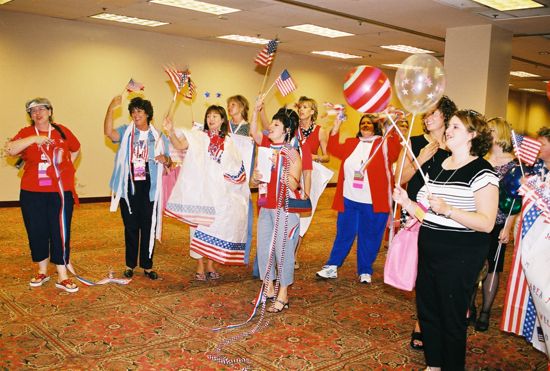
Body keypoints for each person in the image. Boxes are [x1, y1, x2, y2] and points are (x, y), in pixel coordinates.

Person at [393, 109, 498, 370]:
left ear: (473, 136)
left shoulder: (483, 172)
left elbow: (486, 222)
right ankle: (434, 363)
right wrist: (408, 202)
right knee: (428, 310)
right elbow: (428, 213)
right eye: (448, 126)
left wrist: (449, 210)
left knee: (451, 316)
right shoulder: (441, 165)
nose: (448, 131)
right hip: (430, 249)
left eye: (456, 127)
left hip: (461, 254)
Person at [394, 96, 457, 350]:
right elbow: (400, 177)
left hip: (446, 214)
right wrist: (419, 158)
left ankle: (447, 316)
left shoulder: (456, 146)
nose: (428, 118)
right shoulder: (415, 142)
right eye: (426, 114)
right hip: (416, 213)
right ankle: (422, 323)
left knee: (442, 271)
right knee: (423, 272)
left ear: (446, 115)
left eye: (434, 113)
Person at [164, 105, 250, 280]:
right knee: (197, 227)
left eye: (215, 116)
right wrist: (170, 131)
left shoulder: (229, 142)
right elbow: (180, 144)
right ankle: (200, 265)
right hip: (200, 190)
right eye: (209, 116)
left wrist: (231, 182)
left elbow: (236, 165)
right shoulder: (199, 136)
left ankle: (211, 263)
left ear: (223, 120)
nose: (211, 119)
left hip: (219, 193)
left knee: (216, 227)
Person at [6, 97, 81, 293]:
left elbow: (76, 148)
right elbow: (10, 149)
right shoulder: (26, 133)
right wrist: (34, 139)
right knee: (37, 230)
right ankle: (42, 271)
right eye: (33, 111)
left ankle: (62, 276)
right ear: (30, 116)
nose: (38, 113)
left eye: (41, 109)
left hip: (59, 192)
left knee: (60, 232)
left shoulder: (61, 131)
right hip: (32, 192)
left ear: (49, 111)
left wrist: (66, 169)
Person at [316, 113, 401, 283]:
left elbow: (395, 150)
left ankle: (365, 270)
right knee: (344, 234)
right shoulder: (351, 143)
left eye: (370, 122)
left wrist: (388, 124)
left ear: (376, 126)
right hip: (349, 198)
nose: (366, 125)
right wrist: (337, 125)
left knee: (369, 236)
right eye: (363, 122)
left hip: (373, 201)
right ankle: (332, 266)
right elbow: (332, 148)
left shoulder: (382, 144)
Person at [104, 95, 171, 281]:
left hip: (150, 186)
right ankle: (130, 265)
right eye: (133, 111)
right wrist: (111, 108)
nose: (135, 114)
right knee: (131, 226)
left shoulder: (158, 136)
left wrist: (165, 159)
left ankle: (148, 266)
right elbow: (109, 132)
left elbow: (169, 161)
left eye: (139, 111)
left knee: (149, 226)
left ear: (148, 114)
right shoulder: (126, 132)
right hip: (129, 184)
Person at [250, 105, 302, 312]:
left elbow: (294, 184)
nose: (270, 127)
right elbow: (257, 181)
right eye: (271, 123)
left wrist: (281, 169)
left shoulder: (292, 153)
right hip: (265, 205)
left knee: (284, 252)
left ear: (286, 130)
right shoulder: (265, 149)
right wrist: (255, 178)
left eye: (276, 124)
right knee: (263, 249)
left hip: (285, 209)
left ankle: (283, 294)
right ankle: (269, 288)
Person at [469, 117, 517, 332]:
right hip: (477, 219)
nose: (486, 134)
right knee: (472, 265)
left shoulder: (515, 165)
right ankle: (469, 306)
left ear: (500, 133)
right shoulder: (482, 159)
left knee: (493, 267)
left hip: (498, 223)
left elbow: (517, 201)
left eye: (490, 130)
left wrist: (508, 227)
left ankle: (486, 312)